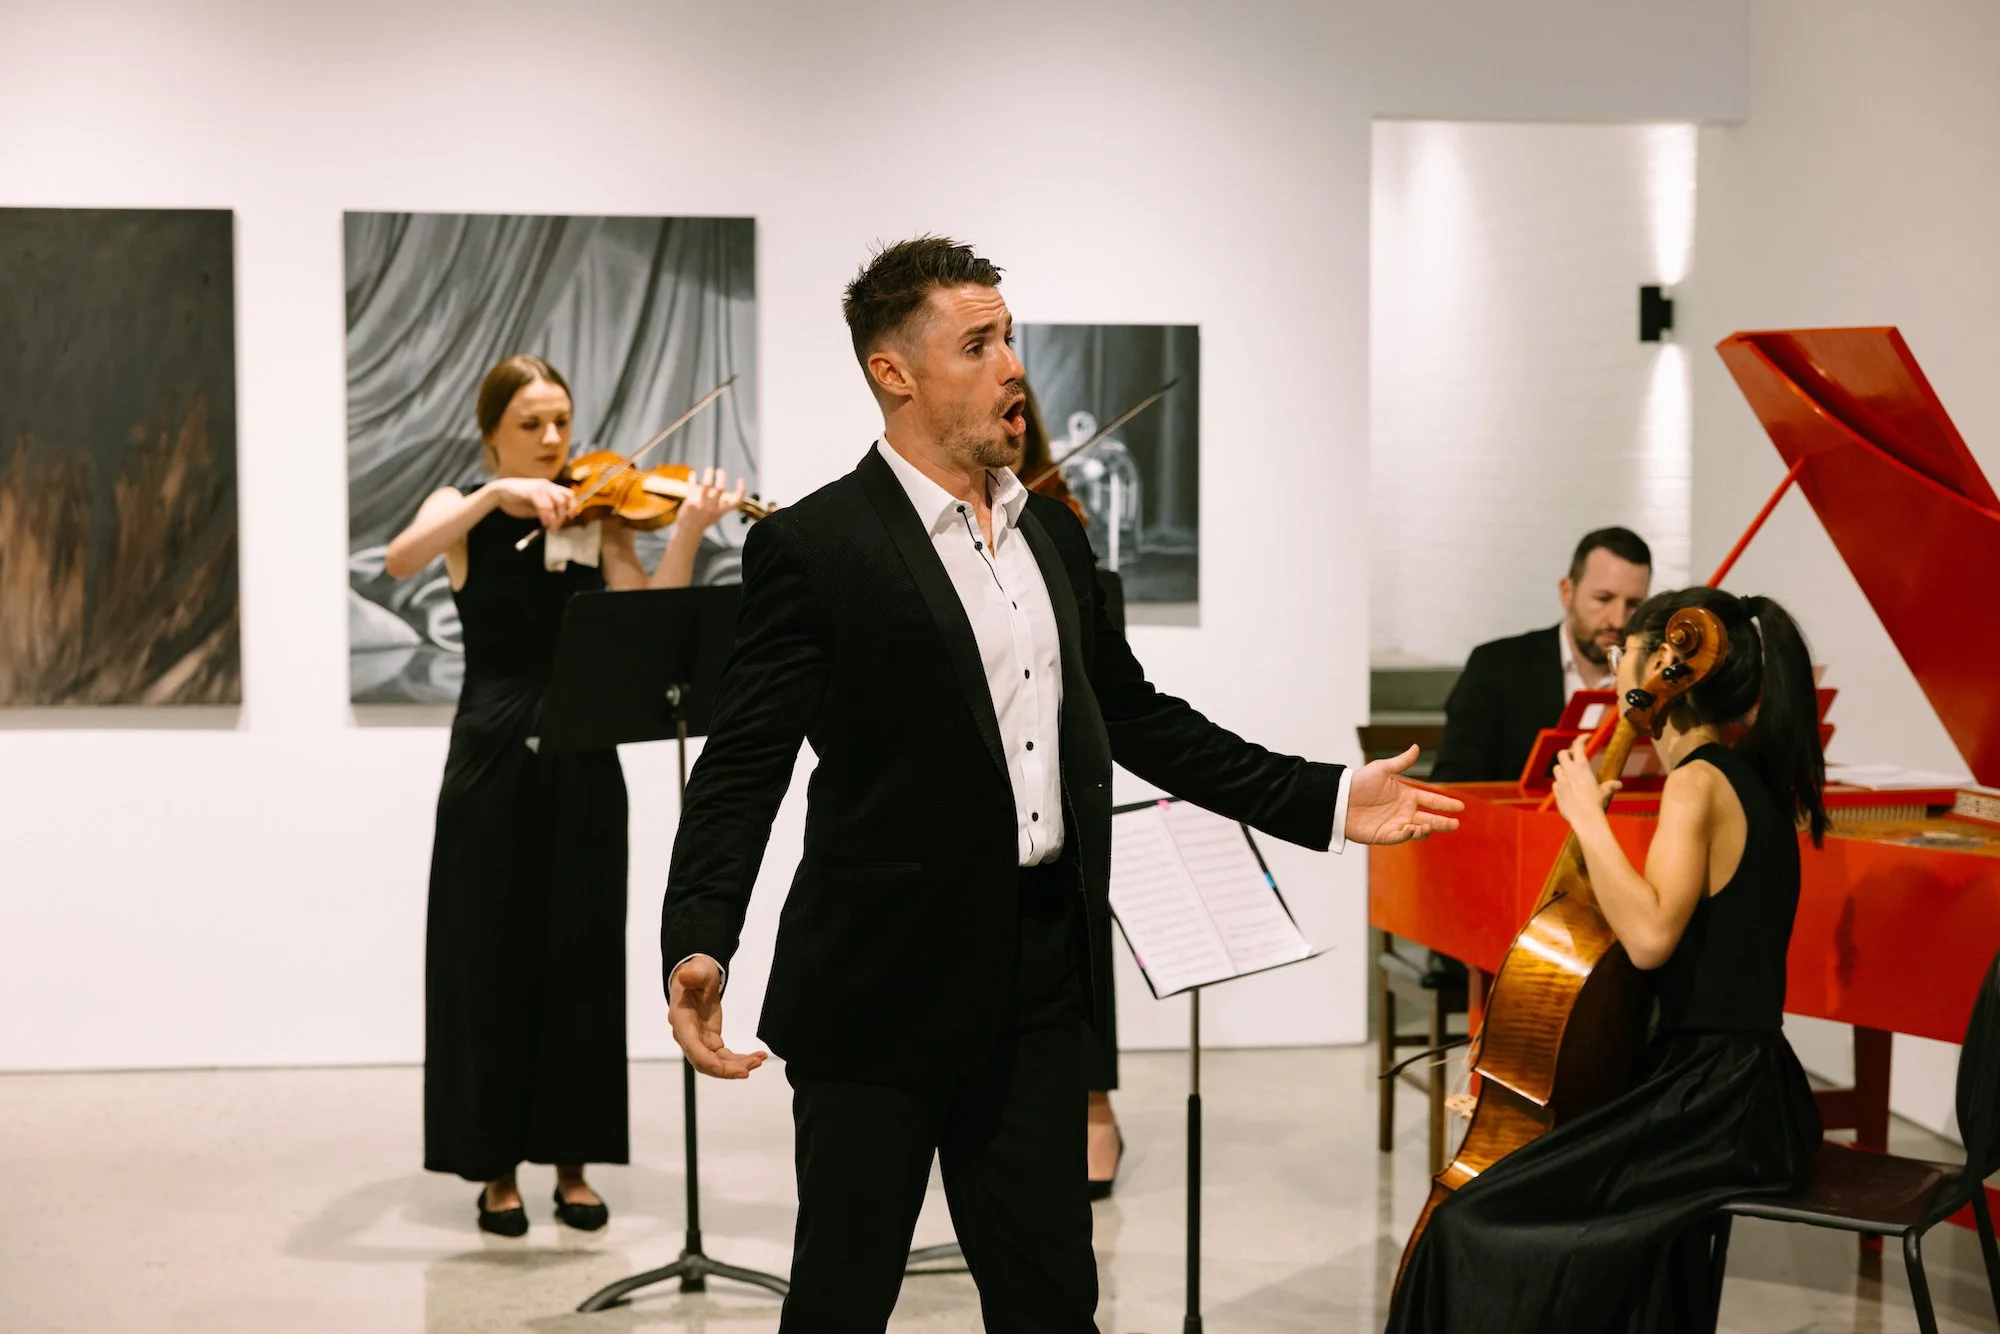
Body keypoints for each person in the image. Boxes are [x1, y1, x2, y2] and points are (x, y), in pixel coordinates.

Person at [657, 236, 1463, 1333]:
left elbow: (1134, 716)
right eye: (977, 345)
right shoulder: (816, 545)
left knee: (1051, 1303)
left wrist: (1321, 798)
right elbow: (743, 763)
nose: (1012, 367)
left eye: (1009, 337)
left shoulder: (1051, 534)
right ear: (894, 372)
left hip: (1037, 970)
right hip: (877, 987)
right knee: (843, 1298)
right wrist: (701, 937)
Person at [1385, 585, 1828, 1333]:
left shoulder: (1696, 783)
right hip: (1748, 1091)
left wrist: (1589, 819)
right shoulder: (1746, 776)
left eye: (1626, 649)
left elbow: (1650, 939)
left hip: (1710, 1103)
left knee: (1469, 1221)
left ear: (1660, 668)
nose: (1616, 662)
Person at [384, 354, 745, 1237]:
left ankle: (573, 1166)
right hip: (491, 761)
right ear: (493, 433)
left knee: (580, 961)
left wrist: (687, 531)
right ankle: (495, 1170)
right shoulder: (462, 507)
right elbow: (400, 559)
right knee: (487, 961)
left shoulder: (598, 510)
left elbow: (654, 617)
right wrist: (493, 496)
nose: (553, 440)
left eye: (561, 422)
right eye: (531, 425)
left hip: (583, 758)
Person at [1020, 382, 1125, 1197]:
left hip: (1066, 775)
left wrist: (1324, 799)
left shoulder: (1056, 524)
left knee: (1085, 930)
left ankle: (1094, 1102)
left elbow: (1123, 698)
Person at [1429, 527, 1654, 785]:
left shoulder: (1651, 676)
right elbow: (1454, 780)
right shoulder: (1495, 666)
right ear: (1567, 592)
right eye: (1603, 599)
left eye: (1634, 605)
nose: (1618, 620)